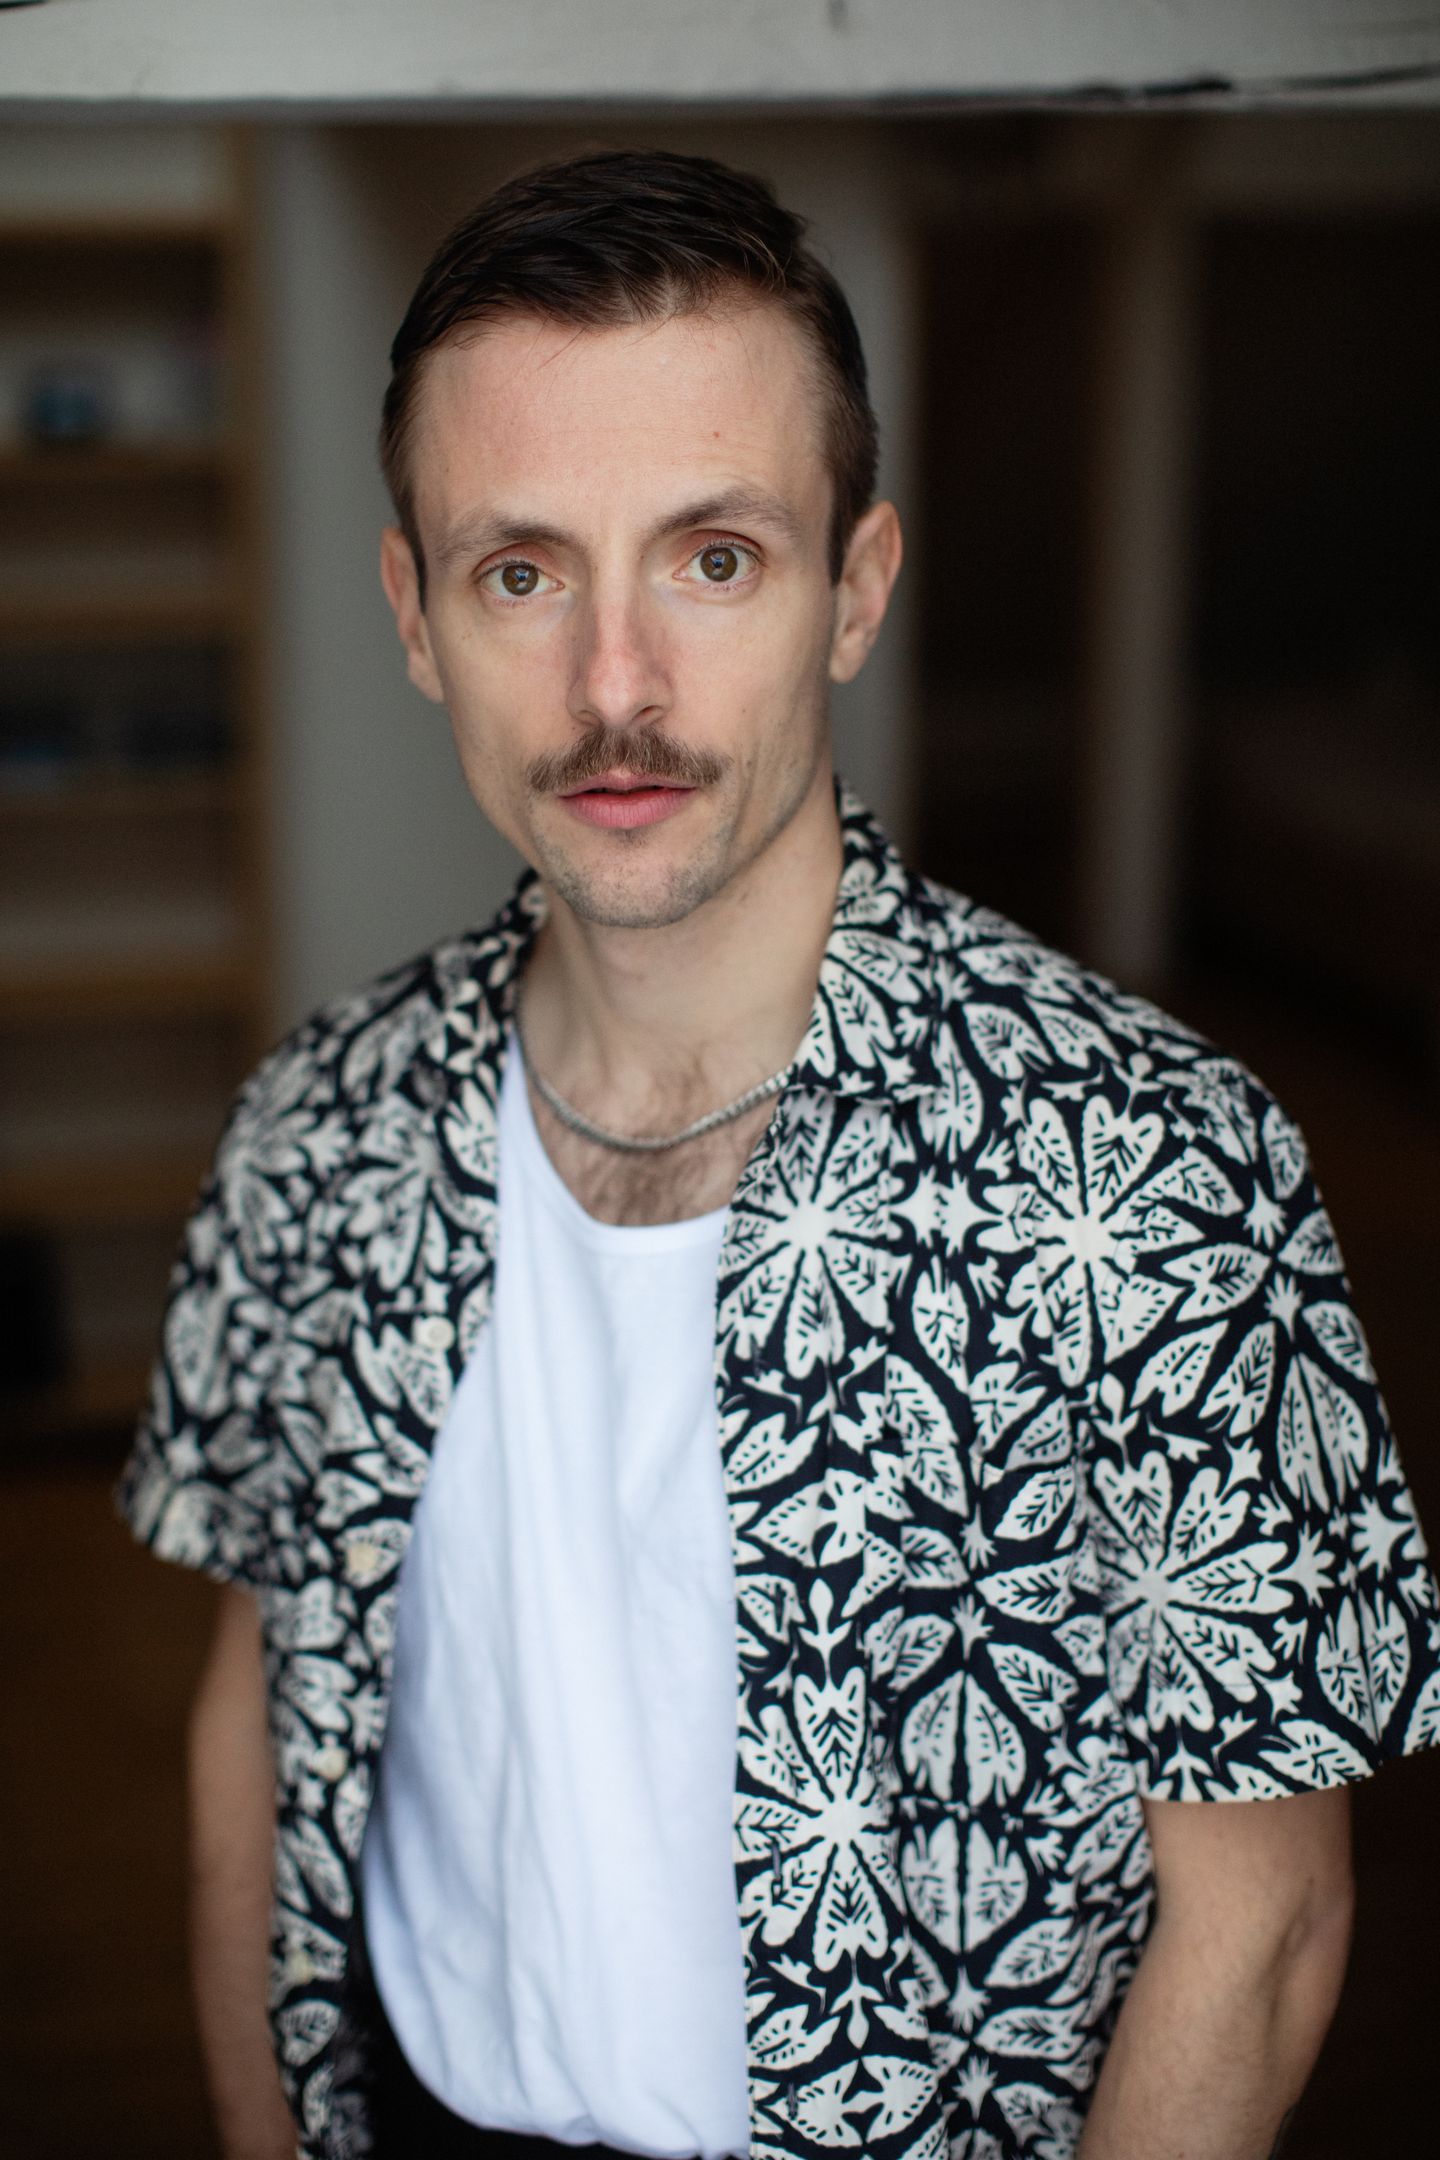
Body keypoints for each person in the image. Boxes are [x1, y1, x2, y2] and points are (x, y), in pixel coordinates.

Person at [119, 149, 1440, 2160]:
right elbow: (259, 1698)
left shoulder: (1158, 1171)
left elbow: (1264, 1925)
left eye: (714, 558)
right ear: (415, 616)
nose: (616, 687)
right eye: (521, 572)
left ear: (858, 586)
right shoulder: (319, 1127)